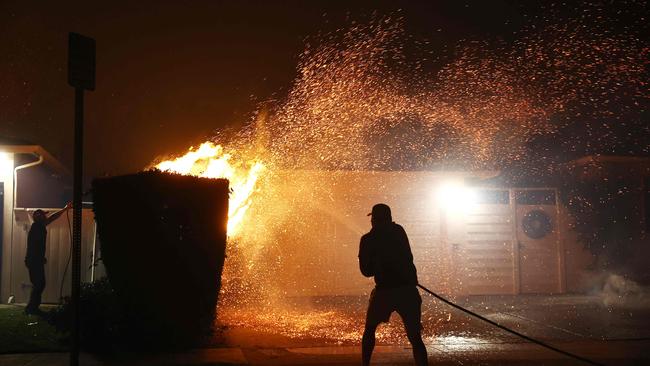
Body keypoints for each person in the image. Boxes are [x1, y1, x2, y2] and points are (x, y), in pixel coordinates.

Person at [359, 203, 428, 366]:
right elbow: (407, 258)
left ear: (374, 219)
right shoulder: (399, 231)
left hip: (385, 292)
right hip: (407, 291)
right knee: (415, 337)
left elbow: (366, 271)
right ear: (390, 218)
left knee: (369, 329)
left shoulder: (368, 239)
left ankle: (365, 364)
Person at [24, 203, 72, 315]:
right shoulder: (37, 227)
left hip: (34, 260)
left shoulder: (39, 226)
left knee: (39, 283)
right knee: (39, 283)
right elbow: (34, 246)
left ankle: (32, 307)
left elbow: (53, 217)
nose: (46, 217)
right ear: (39, 217)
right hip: (34, 260)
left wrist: (64, 209)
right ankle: (31, 308)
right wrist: (38, 258)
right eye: (44, 215)